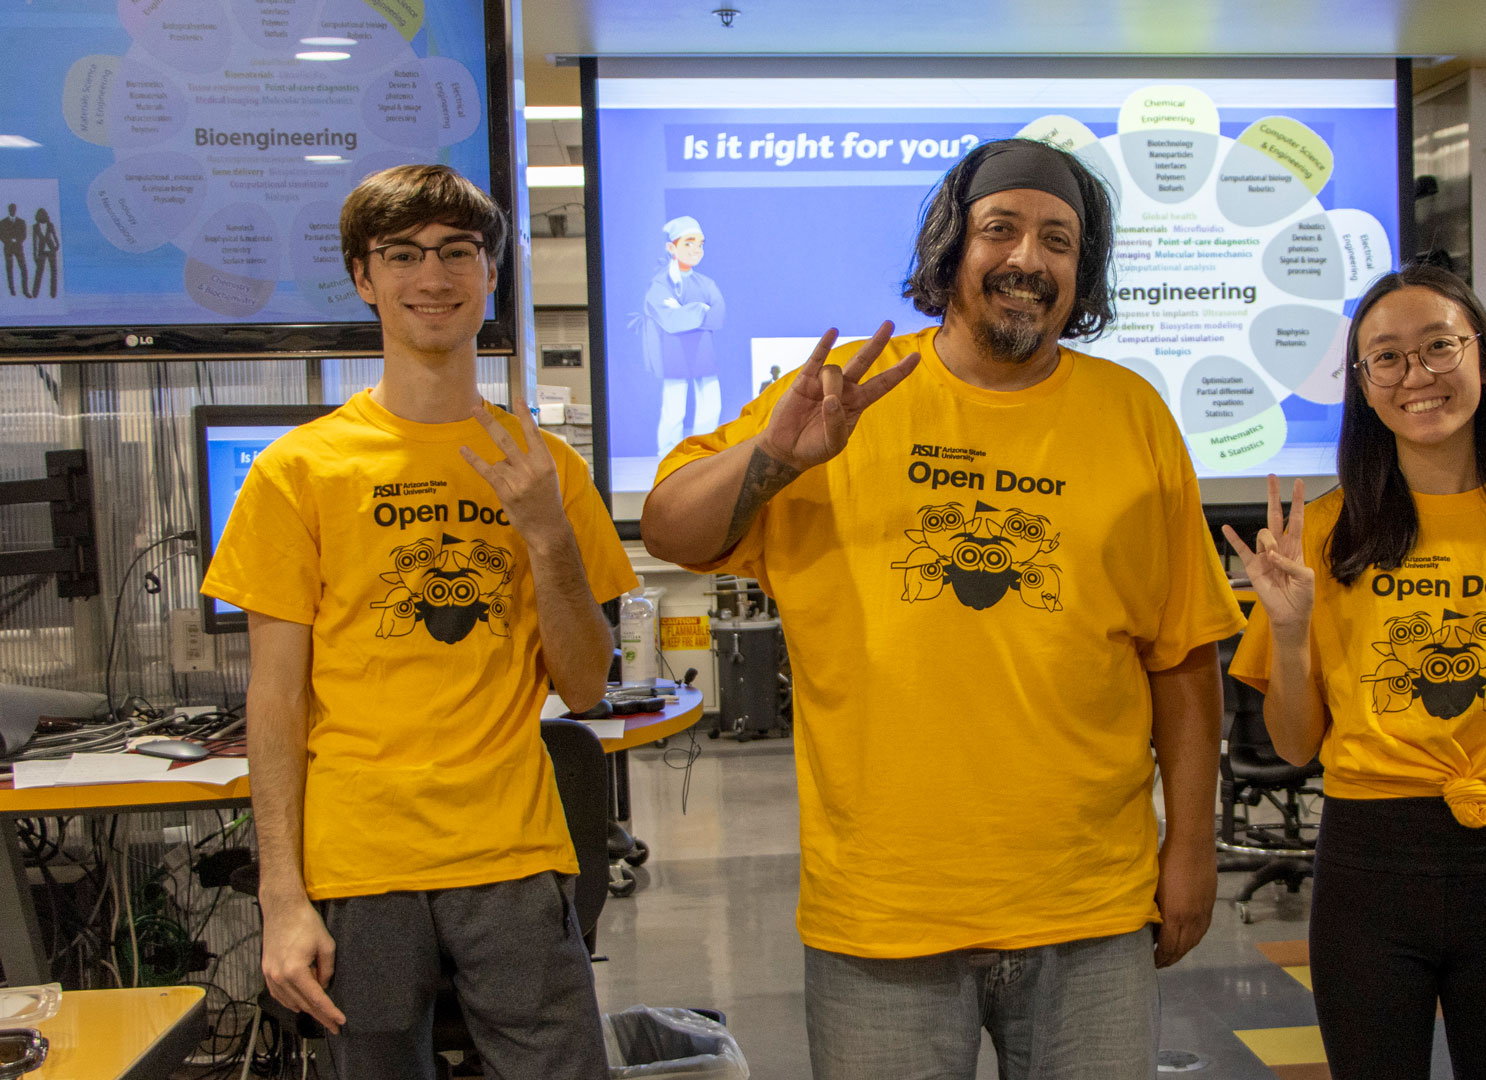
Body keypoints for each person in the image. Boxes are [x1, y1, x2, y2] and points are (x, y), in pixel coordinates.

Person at [643, 138, 1243, 1080]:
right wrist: (779, 459)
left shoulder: (1134, 418)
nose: (1027, 259)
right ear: (950, 248)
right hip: (883, 916)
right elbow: (670, 529)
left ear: (1080, 272)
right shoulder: (849, 393)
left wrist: (1193, 851)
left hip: (1088, 909)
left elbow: (1181, 658)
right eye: (999, 229)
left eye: (1058, 239)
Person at [201, 164, 634, 1080]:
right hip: (360, 865)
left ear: (489, 277)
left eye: (456, 253)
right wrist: (282, 895)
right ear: (364, 279)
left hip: (511, 852)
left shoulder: (547, 467)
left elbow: (588, 685)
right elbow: (275, 700)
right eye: (402, 255)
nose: (431, 278)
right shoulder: (299, 473)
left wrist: (548, 537)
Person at [1225, 264, 1486, 1080]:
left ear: (1483, 360)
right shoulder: (1326, 534)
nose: (1415, 376)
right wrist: (1288, 636)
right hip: (1367, 874)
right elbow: (1291, 747)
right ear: (1363, 383)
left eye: (1437, 348)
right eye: (1385, 358)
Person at [634, 215, 725, 457]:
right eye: (688, 242)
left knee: (710, 406)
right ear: (671, 248)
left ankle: (704, 455)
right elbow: (671, 320)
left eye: (700, 244)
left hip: (703, 352)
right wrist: (699, 310)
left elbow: (718, 315)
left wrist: (689, 312)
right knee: (674, 410)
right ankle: (668, 459)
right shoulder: (660, 285)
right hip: (673, 354)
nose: (696, 249)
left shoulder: (706, 283)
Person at [28, 208, 56, 300]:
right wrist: (34, 255)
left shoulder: (50, 225)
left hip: (51, 250)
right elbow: (34, 241)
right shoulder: (35, 227)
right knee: (39, 273)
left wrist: (57, 246)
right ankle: (35, 294)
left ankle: (53, 294)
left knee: (53, 273)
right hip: (41, 251)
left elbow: (54, 236)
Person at [0, 204, 25, 297]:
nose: (12, 210)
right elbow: (1, 235)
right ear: (8, 210)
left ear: (16, 210)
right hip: (8, 249)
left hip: (18, 248)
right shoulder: (2, 222)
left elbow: (24, 235)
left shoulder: (21, 222)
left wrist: (17, 241)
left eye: (14, 209)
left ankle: (25, 290)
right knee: (9, 269)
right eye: (11, 209)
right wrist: (9, 241)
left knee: (23, 268)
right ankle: (12, 290)